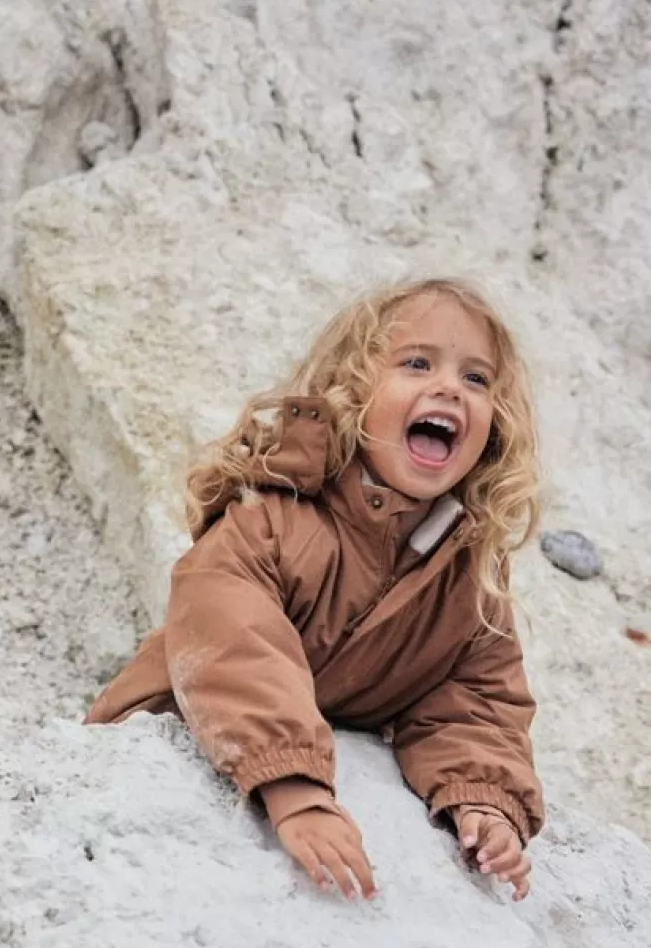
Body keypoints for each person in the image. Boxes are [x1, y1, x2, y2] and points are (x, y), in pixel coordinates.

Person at [87, 278, 543, 901]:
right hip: (168, 741)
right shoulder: (272, 515)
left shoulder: (465, 575)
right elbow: (234, 645)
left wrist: (483, 801)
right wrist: (295, 789)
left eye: (476, 379)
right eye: (416, 363)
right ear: (352, 391)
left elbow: (475, 700)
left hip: (292, 763)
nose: (447, 388)